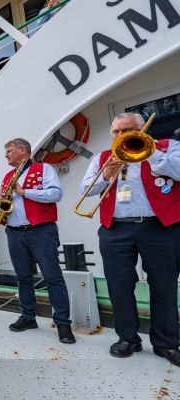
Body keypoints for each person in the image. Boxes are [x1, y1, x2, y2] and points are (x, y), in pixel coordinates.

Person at [80, 113, 180, 366]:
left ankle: (166, 343)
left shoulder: (168, 147)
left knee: (164, 285)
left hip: (160, 227)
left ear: (143, 129)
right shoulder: (102, 158)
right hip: (115, 229)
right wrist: (105, 175)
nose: (121, 135)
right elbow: (85, 190)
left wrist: (151, 152)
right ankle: (128, 338)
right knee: (119, 286)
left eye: (128, 130)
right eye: (116, 131)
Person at [0, 138, 75, 344]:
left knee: (53, 277)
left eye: (9, 151)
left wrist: (24, 192)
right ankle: (28, 316)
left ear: (23, 150)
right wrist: (0, 203)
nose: (6, 155)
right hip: (14, 232)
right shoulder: (7, 176)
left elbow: (55, 194)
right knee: (23, 277)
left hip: (40, 231)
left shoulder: (44, 168)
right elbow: (9, 201)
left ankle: (63, 323)